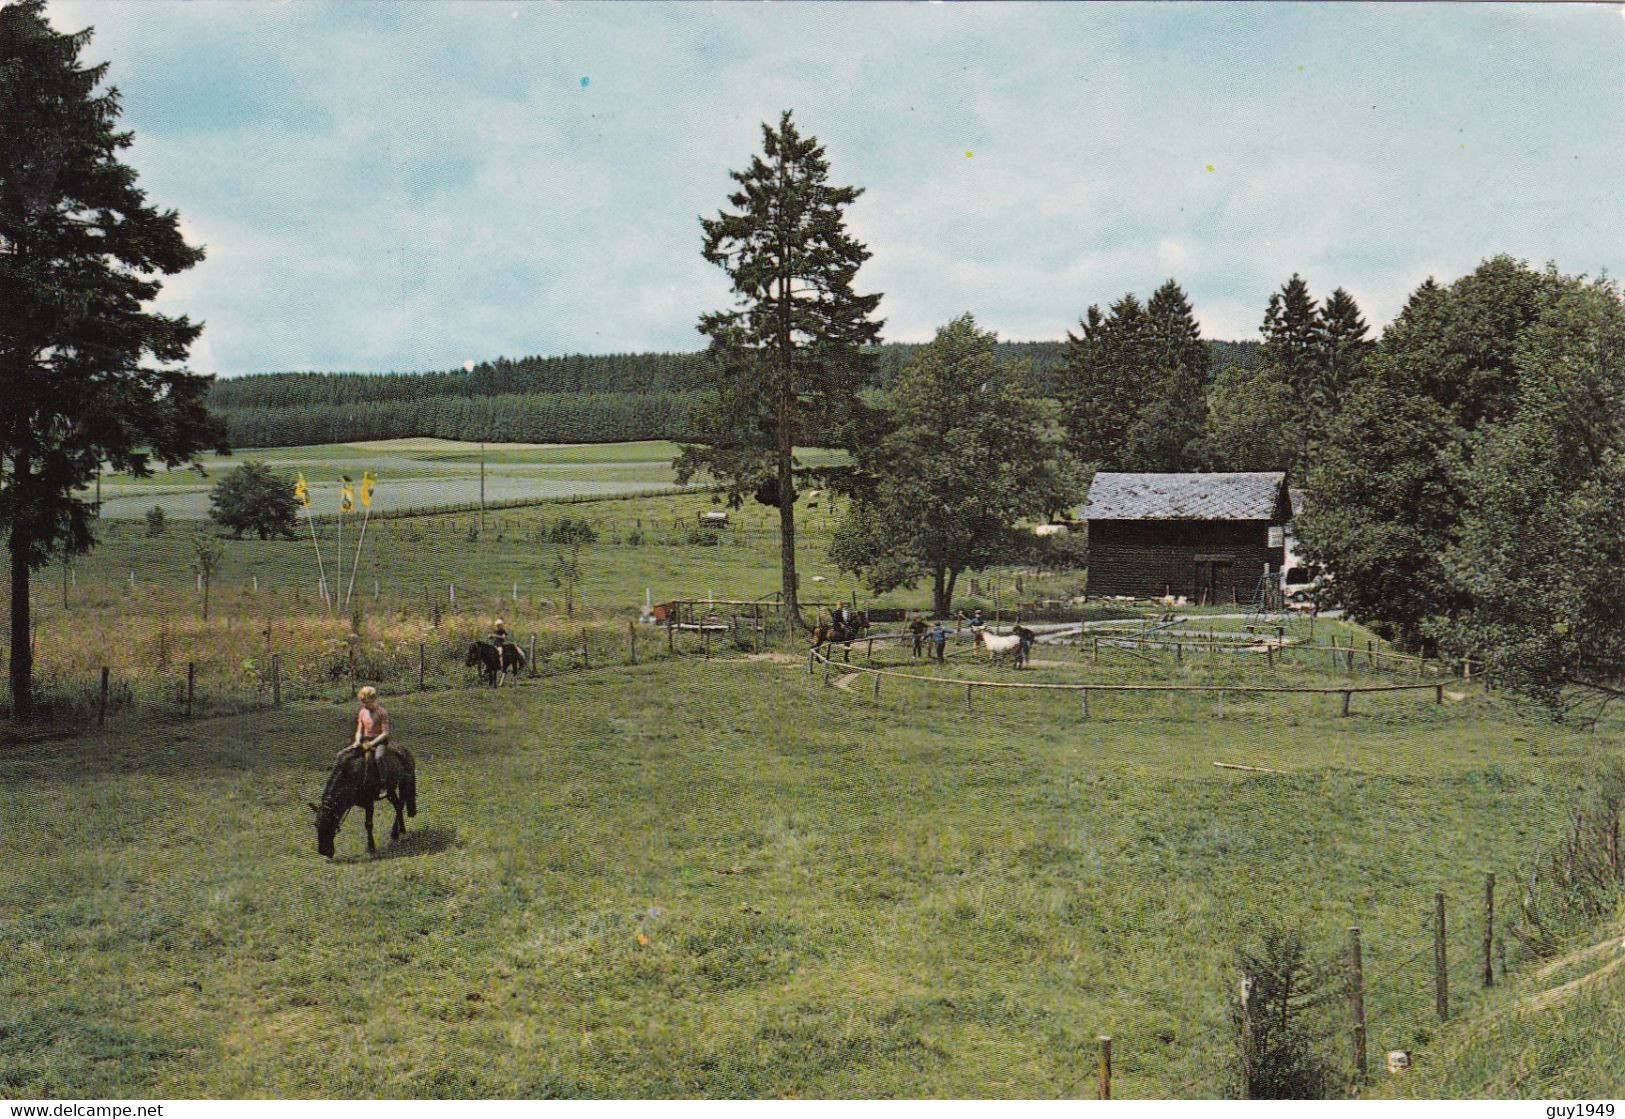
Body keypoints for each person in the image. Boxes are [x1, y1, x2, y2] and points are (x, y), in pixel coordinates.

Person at [347, 685, 392, 781]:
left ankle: (383, 781)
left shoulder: (382, 712)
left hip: (379, 741)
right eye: (363, 703)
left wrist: (372, 743)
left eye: (366, 702)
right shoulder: (362, 711)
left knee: (379, 757)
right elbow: (359, 730)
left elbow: (385, 733)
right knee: (344, 755)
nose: (365, 705)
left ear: (373, 699)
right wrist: (357, 740)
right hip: (365, 740)